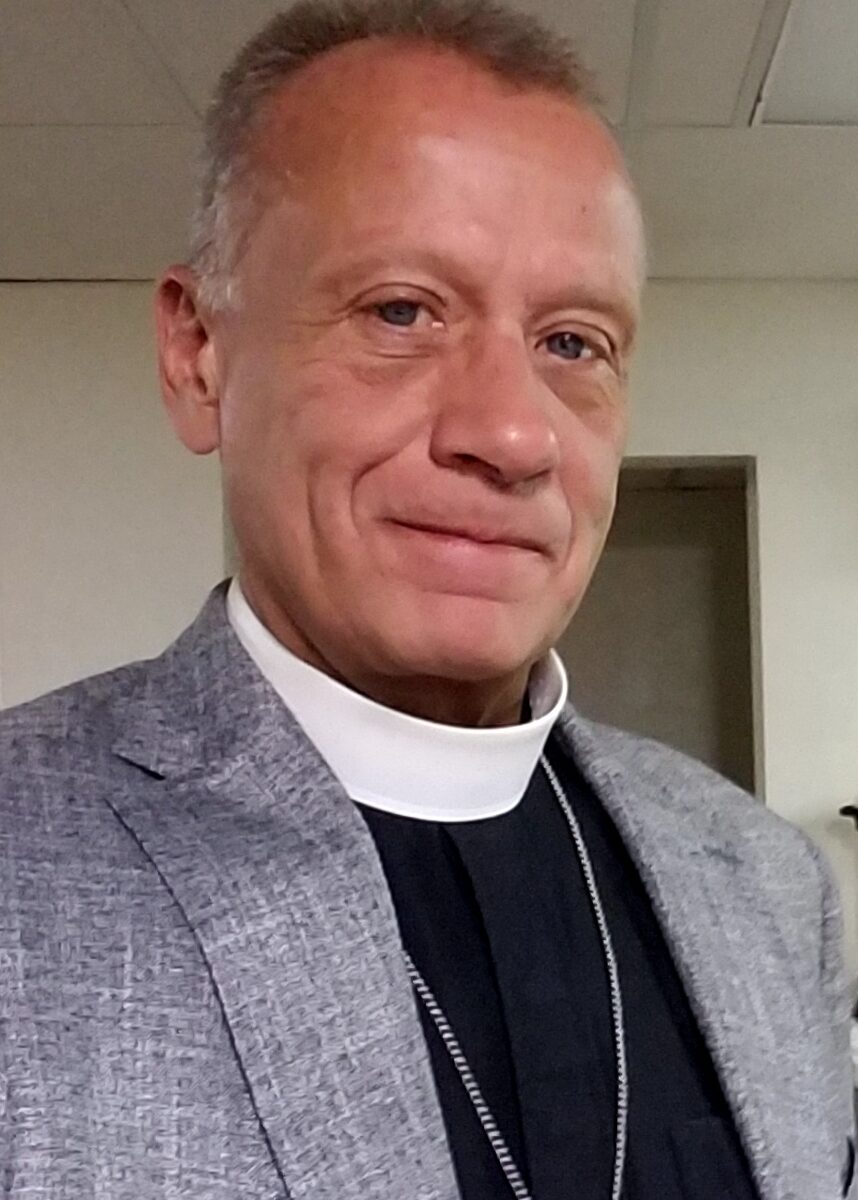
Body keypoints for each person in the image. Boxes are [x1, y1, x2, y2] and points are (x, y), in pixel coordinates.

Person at [0, 1, 854, 1197]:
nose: (512, 434)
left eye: (573, 343)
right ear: (199, 356)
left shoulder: (766, 883)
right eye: (400, 311)